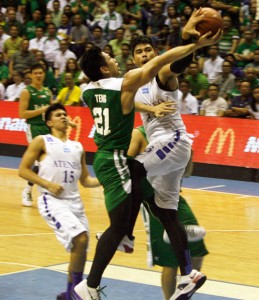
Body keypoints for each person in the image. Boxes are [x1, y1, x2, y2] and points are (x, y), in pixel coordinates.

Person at [74, 8, 221, 300]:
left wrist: (191, 44)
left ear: (154, 53)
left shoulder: (156, 77)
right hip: (162, 149)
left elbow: (174, 64)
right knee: (166, 212)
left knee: (135, 170)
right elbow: (130, 102)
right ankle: (188, 275)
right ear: (132, 59)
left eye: (148, 51)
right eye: (139, 51)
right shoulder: (130, 86)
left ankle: (123, 233)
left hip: (174, 141)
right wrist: (151, 109)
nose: (144, 55)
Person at [18, 103, 100, 300]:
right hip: (52, 200)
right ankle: (75, 294)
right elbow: (23, 170)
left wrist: (107, 179)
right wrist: (47, 184)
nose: (64, 117)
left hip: (75, 203)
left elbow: (86, 181)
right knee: (80, 238)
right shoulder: (42, 141)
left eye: (65, 114)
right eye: (58, 115)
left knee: (80, 248)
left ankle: (69, 292)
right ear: (49, 122)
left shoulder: (77, 146)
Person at [128, 126, 208, 300]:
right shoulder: (139, 133)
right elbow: (127, 167)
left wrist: (189, 155)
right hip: (154, 200)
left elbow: (186, 173)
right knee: (170, 261)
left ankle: (181, 292)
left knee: (197, 250)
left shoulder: (177, 136)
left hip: (176, 199)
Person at [19, 63, 53, 207]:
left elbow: (51, 112)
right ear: (31, 75)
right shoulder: (27, 92)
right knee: (41, 162)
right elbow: (22, 114)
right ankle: (28, 190)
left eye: (41, 73)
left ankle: (37, 189)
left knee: (49, 161)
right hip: (33, 128)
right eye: (36, 73)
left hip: (47, 128)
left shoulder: (47, 92)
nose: (39, 75)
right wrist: (42, 110)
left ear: (44, 75)